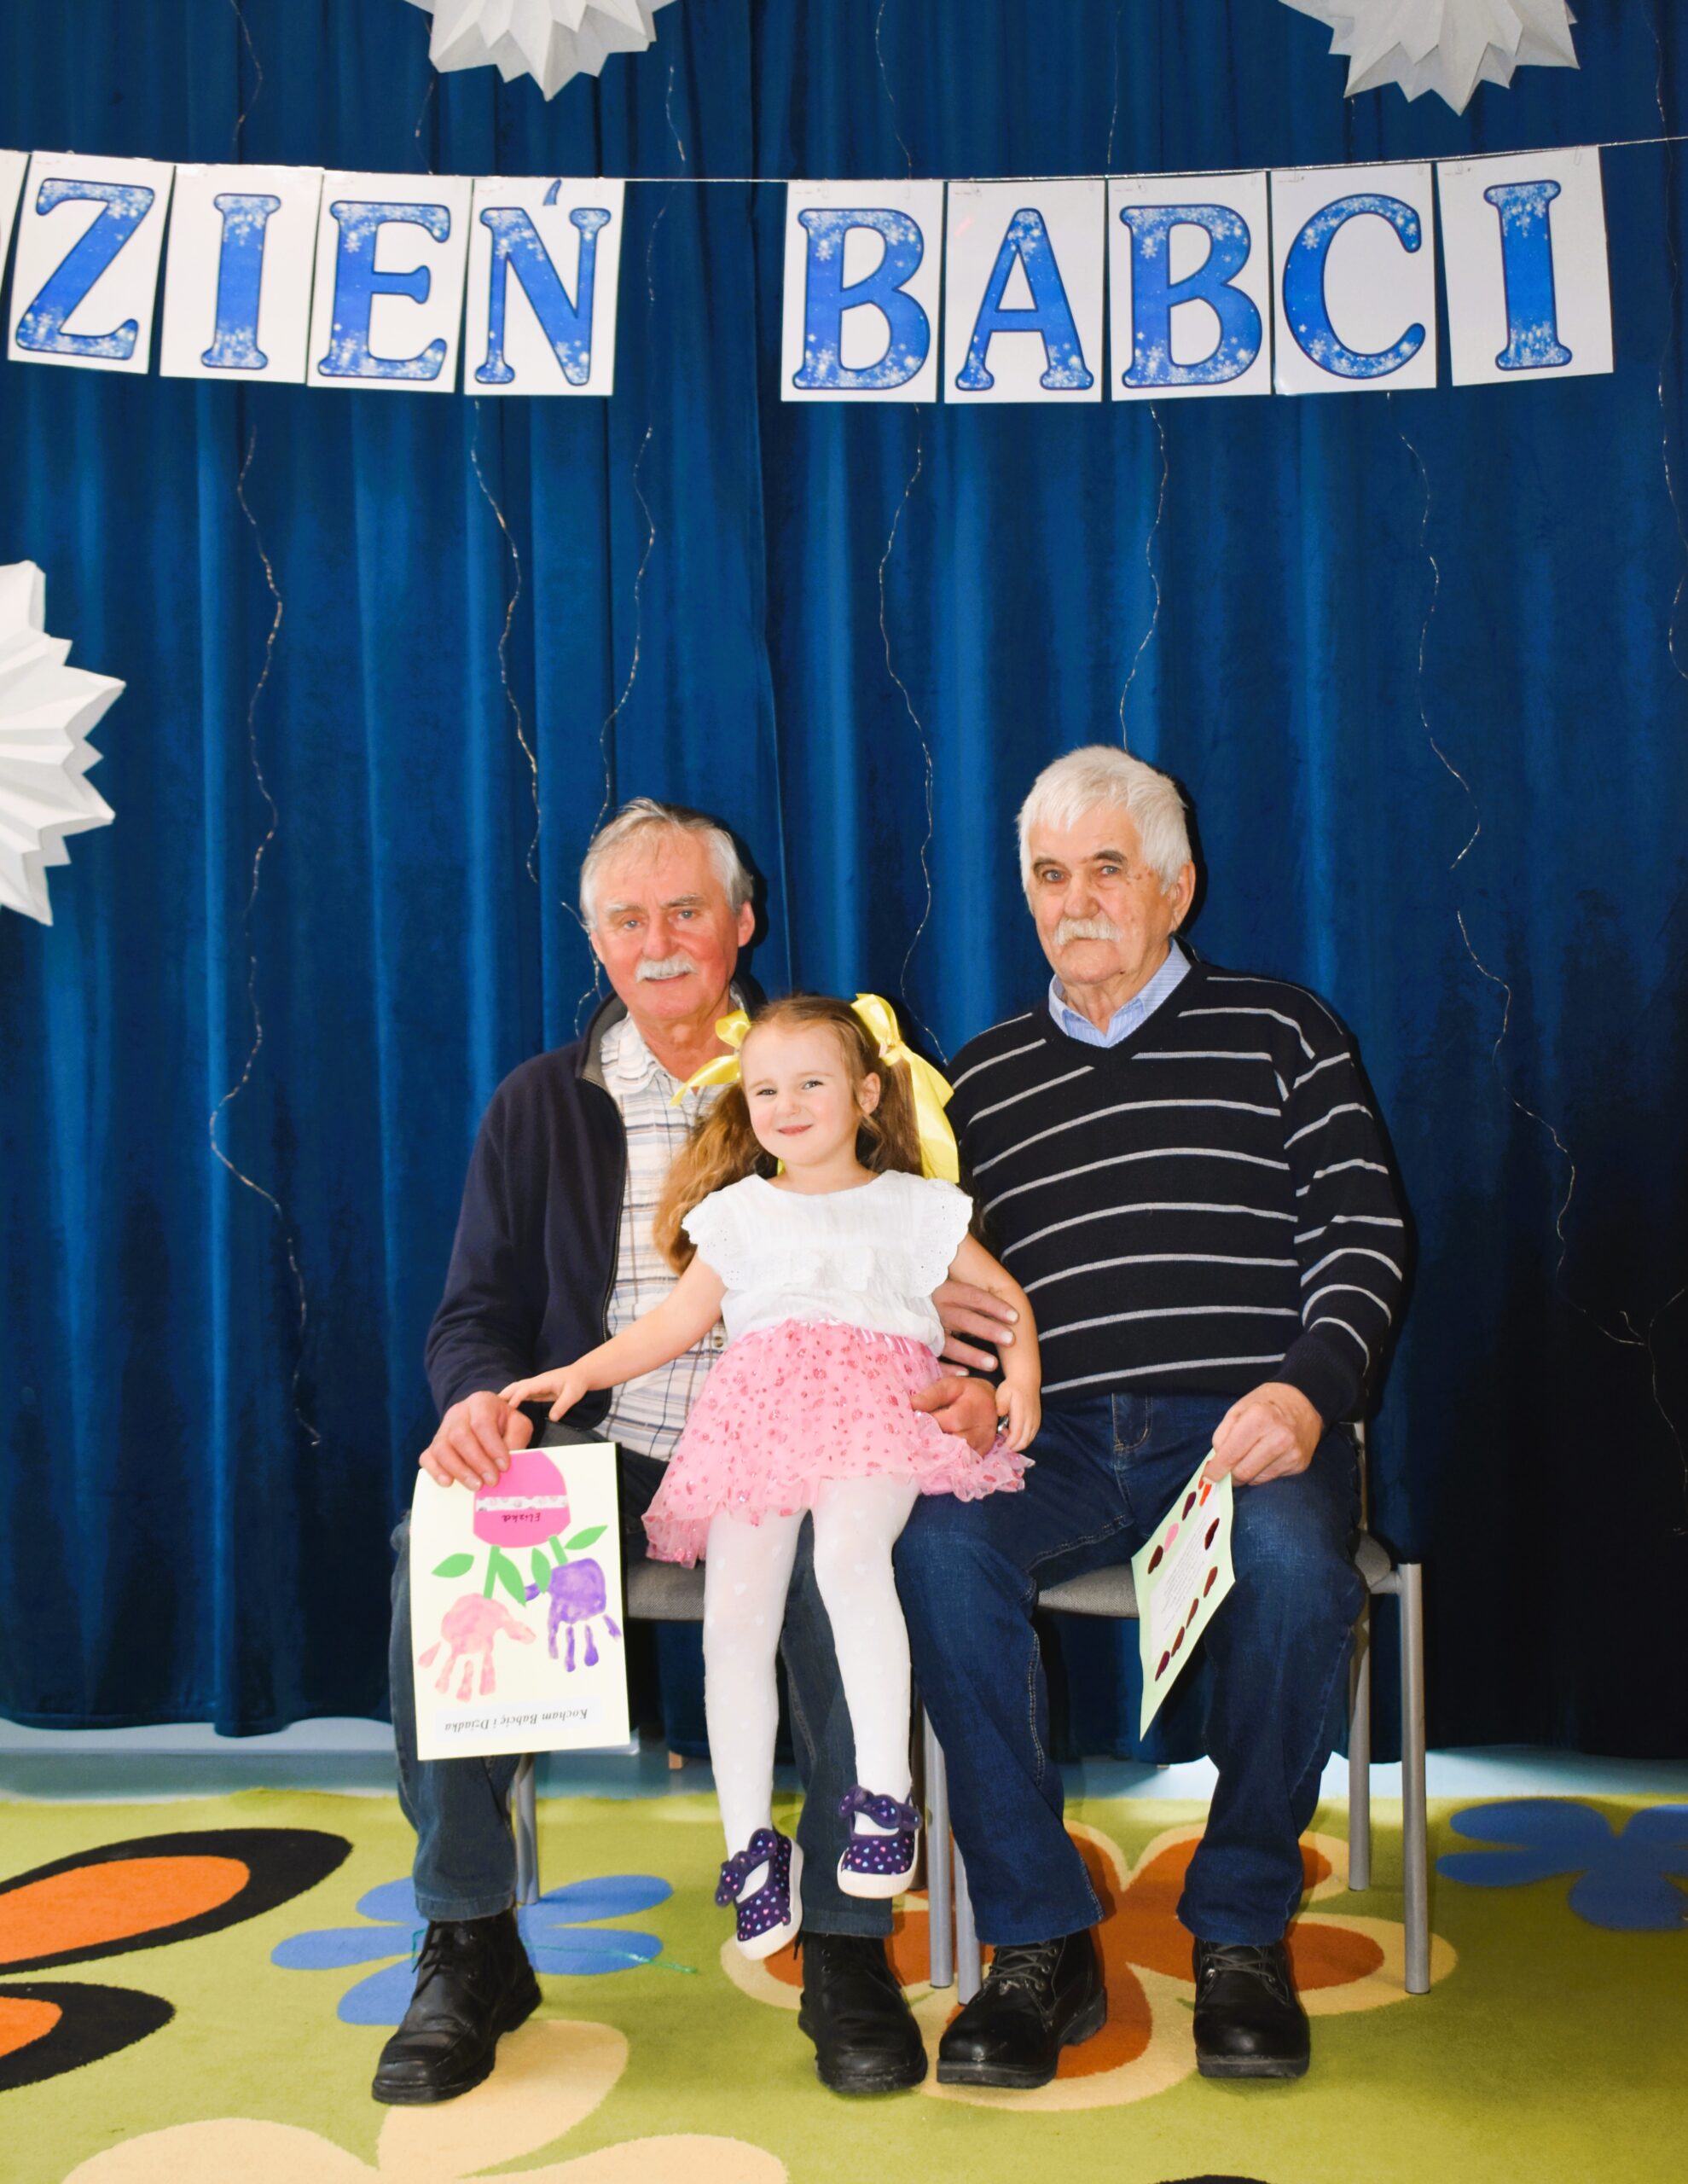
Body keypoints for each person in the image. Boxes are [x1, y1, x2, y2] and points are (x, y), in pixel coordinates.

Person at [376, 802, 1000, 2106]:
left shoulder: (829, 1067)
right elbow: (474, 1312)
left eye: (684, 911)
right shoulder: (538, 1105)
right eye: (626, 918)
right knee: (441, 1549)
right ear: (595, 941)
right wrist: (479, 1403)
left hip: (825, 1437)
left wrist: (968, 1376)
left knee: (852, 1574)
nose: (656, 941)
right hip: (610, 1447)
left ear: (741, 922)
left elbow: (933, 1262)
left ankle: (842, 1940)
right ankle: (469, 1938)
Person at [895, 746, 1407, 2089]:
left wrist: (1308, 1390)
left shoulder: (1282, 1032)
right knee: (933, 1547)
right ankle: (1036, 1939)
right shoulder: (978, 1083)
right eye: (1046, 875)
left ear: (1174, 889)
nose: (1073, 902)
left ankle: (1237, 1928)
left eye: (1105, 870)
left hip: (1239, 1428)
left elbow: (1363, 1235)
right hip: (1054, 1438)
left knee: (1292, 1561)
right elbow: (959, 1291)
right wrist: (964, 1380)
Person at [502, 992, 1037, 1957]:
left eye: (810, 1084)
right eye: (764, 1091)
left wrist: (1018, 1381)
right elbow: (674, 1323)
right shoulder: (737, 1215)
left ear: (866, 1094)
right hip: (755, 1427)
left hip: (875, 1423)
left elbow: (1003, 1298)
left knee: (847, 1561)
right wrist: (580, 1372)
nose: (785, 1106)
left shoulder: (914, 1206)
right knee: (733, 1621)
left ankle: (884, 1794)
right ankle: (749, 1842)